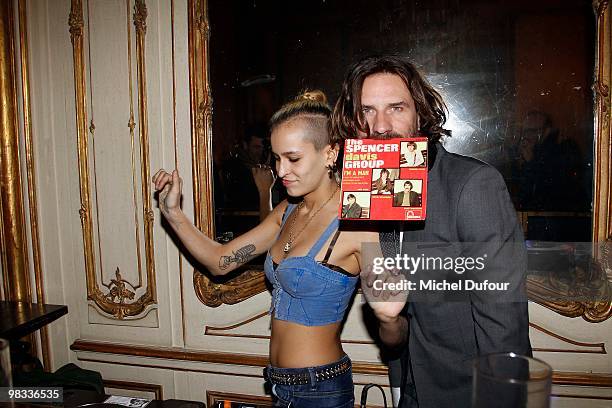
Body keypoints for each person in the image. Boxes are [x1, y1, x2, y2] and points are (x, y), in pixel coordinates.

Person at [153, 90, 378, 408]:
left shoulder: (357, 220)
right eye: (276, 158)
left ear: (330, 153)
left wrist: (393, 316)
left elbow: (393, 304)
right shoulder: (287, 210)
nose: (281, 170)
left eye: (294, 158)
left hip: (320, 390)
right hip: (278, 385)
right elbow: (221, 262)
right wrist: (173, 214)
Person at [331, 55, 531, 408]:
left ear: (420, 114)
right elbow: (396, 326)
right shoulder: (371, 197)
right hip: (407, 387)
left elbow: (503, 327)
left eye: (396, 107)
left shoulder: (472, 185)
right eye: (366, 111)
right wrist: (386, 318)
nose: (379, 125)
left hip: (469, 392)